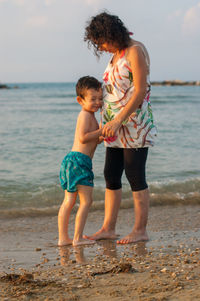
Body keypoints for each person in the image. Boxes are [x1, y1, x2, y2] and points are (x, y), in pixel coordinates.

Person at [84, 12, 157, 244]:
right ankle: (108, 228)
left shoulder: (135, 50)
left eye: (102, 41)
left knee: (135, 176)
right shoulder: (116, 54)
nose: (101, 47)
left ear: (112, 33)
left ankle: (139, 230)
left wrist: (118, 120)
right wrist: (105, 122)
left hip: (134, 125)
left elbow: (141, 90)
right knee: (111, 175)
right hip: (113, 128)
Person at [58, 76, 103, 246]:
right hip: (79, 162)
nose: (97, 102)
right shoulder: (85, 115)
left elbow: (94, 140)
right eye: (93, 99)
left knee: (69, 201)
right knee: (86, 201)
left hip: (72, 162)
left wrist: (102, 133)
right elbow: (84, 138)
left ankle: (63, 239)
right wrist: (102, 131)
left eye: (100, 98)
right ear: (80, 100)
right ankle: (77, 238)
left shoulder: (91, 116)